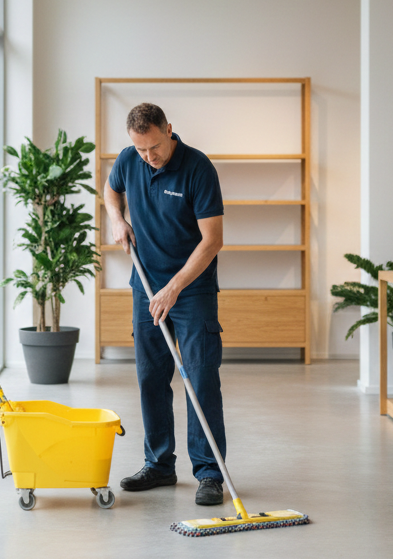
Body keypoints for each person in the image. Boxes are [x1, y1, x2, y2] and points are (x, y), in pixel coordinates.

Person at [104, 102, 227, 506]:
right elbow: (111, 190)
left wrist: (174, 287)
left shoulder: (198, 169)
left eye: (154, 147)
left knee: (200, 376)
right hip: (145, 284)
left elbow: (212, 240)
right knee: (151, 376)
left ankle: (209, 473)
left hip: (190, 289)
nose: (148, 157)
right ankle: (159, 464)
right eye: (140, 150)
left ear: (169, 130)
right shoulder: (129, 159)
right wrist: (117, 219)